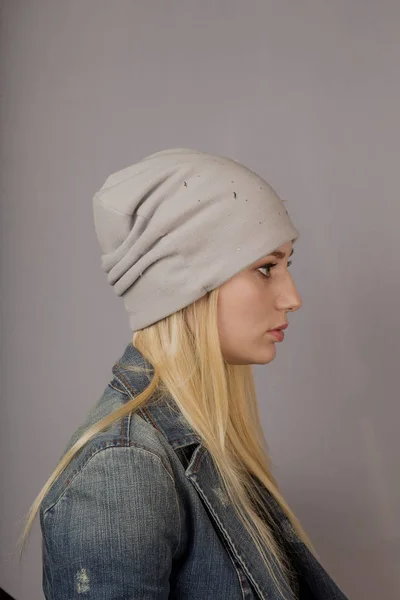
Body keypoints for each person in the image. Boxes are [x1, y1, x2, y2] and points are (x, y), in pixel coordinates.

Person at [18, 148, 349, 599]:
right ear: (187, 287)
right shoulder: (125, 471)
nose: (292, 297)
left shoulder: (203, 443)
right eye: (266, 268)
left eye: (287, 265)